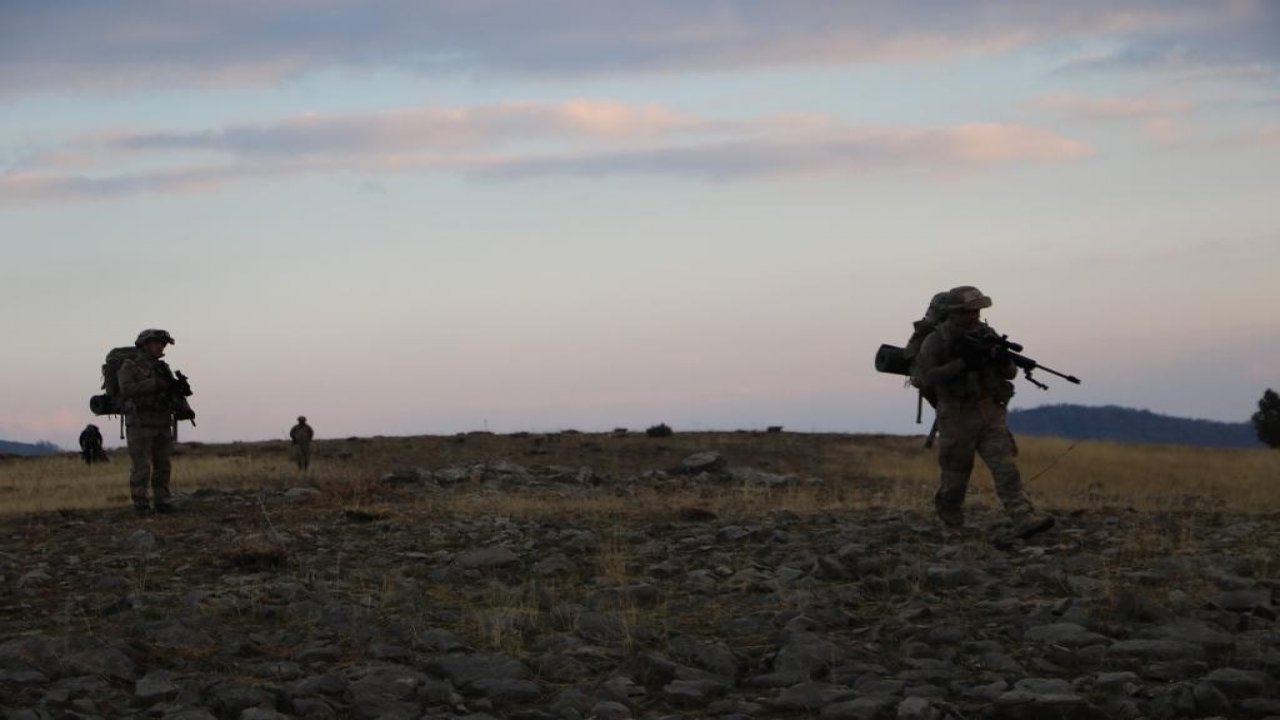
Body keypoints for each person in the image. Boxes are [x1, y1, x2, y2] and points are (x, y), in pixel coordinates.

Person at [911, 286, 1054, 539]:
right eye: (967, 311)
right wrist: (962, 364)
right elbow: (923, 378)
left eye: (977, 310)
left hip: (989, 410)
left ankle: (1022, 517)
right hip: (956, 414)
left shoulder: (987, 335)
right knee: (956, 474)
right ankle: (952, 524)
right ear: (954, 313)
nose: (973, 315)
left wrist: (1001, 360)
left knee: (1006, 467)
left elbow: (1010, 373)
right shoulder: (937, 340)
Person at [118, 328, 193, 514]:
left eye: (162, 344)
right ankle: (141, 503)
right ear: (145, 344)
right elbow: (126, 389)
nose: (160, 347)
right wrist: (153, 384)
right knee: (141, 466)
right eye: (157, 343)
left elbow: (173, 392)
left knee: (163, 465)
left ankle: (162, 501)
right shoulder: (130, 365)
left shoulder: (163, 368)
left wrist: (185, 408)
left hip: (161, 421)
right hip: (140, 422)